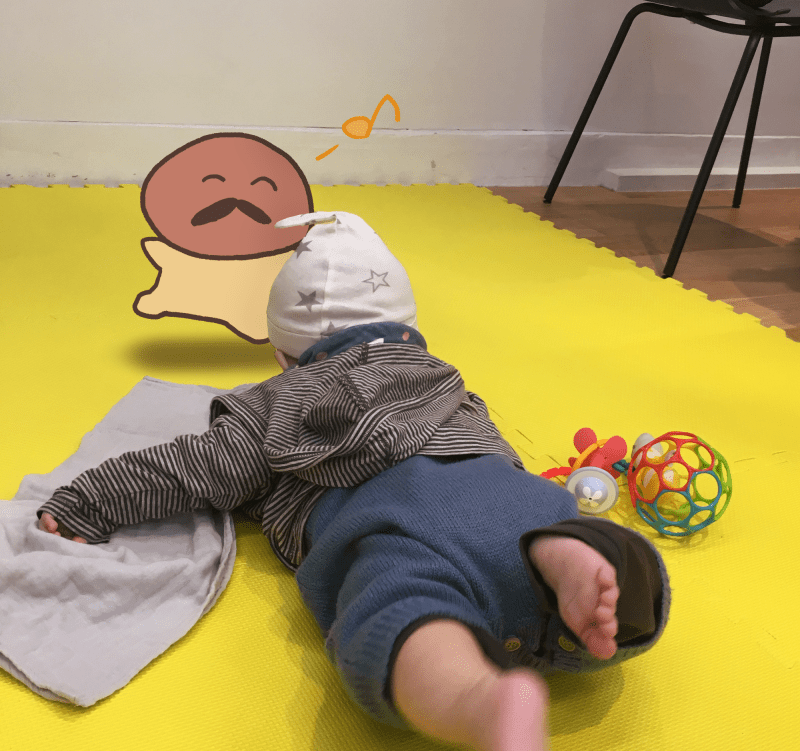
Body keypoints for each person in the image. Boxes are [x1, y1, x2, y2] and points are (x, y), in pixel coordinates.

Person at [38, 211, 670, 751]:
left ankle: (475, 697)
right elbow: (499, 455)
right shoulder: (444, 380)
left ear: (282, 357)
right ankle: (572, 552)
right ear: (410, 334)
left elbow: (191, 468)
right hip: (507, 495)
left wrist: (88, 501)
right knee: (551, 518)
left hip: (394, 526)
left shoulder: (276, 403)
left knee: (399, 609)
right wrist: (530, 512)